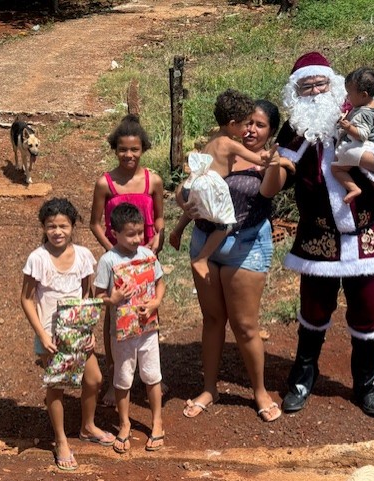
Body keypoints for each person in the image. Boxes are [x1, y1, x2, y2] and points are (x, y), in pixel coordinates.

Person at [275, 52, 374, 417]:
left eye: (320, 83)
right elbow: (282, 174)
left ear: (333, 84)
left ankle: (367, 384)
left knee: (368, 312)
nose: (315, 91)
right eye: (307, 85)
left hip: (367, 236)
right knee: (313, 312)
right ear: (296, 91)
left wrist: (370, 159)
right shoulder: (294, 128)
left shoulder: (365, 114)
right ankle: (302, 378)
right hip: (319, 239)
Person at [178, 99, 291, 422]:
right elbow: (188, 188)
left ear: (271, 131)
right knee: (213, 320)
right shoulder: (221, 150)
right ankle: (209, 388)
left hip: (246, 246)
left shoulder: (272, 162)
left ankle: (259, 391)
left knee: (245, 326)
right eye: (247, 123)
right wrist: (185, 205)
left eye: (259, 125)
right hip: (204, 242)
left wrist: (274, 163)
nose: (251, 130)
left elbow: (268, 192)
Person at [21, 198, 116, 472]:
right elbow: (27, 300)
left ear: (73, 226)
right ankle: (61, 440)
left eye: (63, 225)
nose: (57, 231)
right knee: (57, 385)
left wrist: (88, 329)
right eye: (51, 226)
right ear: (44, 227)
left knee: (95, 378)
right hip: (50, 335)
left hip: (77, 332)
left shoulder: (84, 256)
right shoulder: (38, 259)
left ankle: (87, 426)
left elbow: (86, 295)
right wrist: (42, 334)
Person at [89, 114, 165, 407]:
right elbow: (95, 223)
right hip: (118, 260)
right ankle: (114, 379)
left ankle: (151, 375)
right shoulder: (105, 183)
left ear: (142, 148)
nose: (128, 155)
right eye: (123, 149)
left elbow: (159, 217)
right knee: (114, 318)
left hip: (146, 257)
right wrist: (114, 252)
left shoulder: (153, 180)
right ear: (115, 149)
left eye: (134, 149)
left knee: (149, 311)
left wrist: (157, 237)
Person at [174, 89, 273, 282]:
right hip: (207, 189)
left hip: (191, 185)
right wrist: (279, 158)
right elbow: (260, 161)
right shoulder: (230, 144)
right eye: (245, 124)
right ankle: (202, 258)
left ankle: (177, 230)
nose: (248, 130)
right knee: (225, 225)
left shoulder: (212, 139)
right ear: (233, 124)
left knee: (194, 209)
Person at [94, 202, 166, 453]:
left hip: (147, 331)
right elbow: (99, 294)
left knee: (152, 376)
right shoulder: (108, 261)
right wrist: (111, 300)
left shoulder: (147, 255)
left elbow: (160, 282)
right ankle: (124, 423)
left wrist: (155, 302)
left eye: (140, 233)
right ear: (115, 233)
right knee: (122, 379)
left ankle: (157, 422)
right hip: (122, 334)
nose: (137, 239)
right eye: (131, 234)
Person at [333, 67, 374, 203]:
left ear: (363, 95)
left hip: (356, 148)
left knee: (336, 169)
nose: (347, 97)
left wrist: (348, 126)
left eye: (349, 94)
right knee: (372, 172)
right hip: (373, 147)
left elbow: (362, 134)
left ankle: (353, 189)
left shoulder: (362, 114)